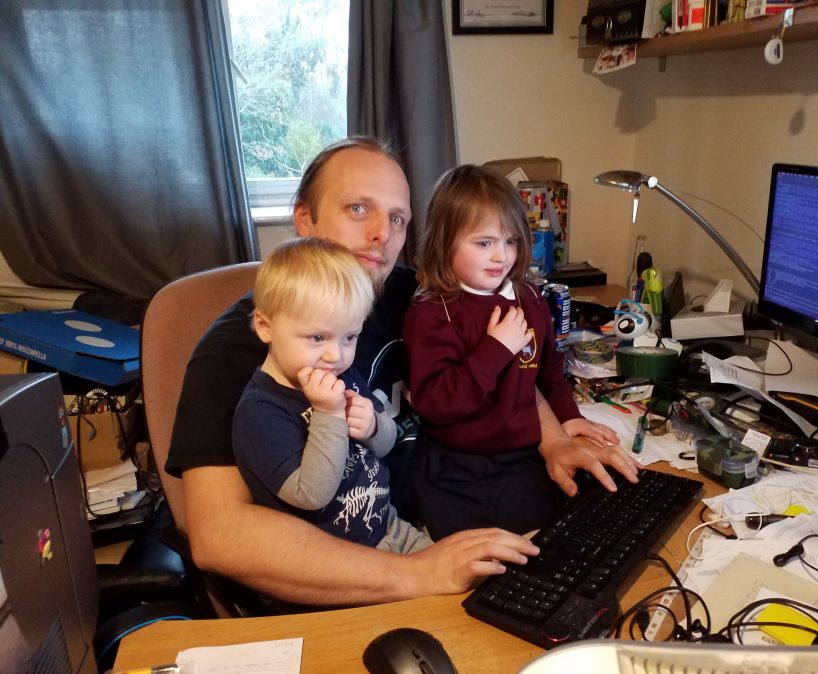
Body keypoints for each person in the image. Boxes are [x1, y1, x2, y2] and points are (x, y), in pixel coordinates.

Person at [166, 136, 636, 607]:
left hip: (438, 520)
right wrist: (418, 572)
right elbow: (219, 535)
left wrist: (554, 440)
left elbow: (509, 370)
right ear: (304, 218)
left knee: (606, 577)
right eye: (357, 208)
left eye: (397, 218)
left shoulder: (420, 296)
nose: (381, 234)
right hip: (360, 579)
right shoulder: (240, 347)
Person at [404, 164, 639, 539]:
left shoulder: (529, 300)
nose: (501, 256)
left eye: (510, 241)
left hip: (520, 457)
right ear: (444, 241)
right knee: (476, 562)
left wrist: (567, 417)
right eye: (484, 243)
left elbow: (548, 373)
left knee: (554, 537)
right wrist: (495, 349)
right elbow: (436, 403)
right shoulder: (432, 312)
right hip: (455, 468)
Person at [233, 237, 430, 554]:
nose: (335, 355)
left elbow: (385, 443)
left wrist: (374, 427)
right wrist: (329, 414)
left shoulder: (340, 374)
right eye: (317, 337)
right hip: (338, 558)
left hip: (387, 526)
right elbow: (311, 494)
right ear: (265, 326)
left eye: (350, 336)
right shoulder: (260, 411)